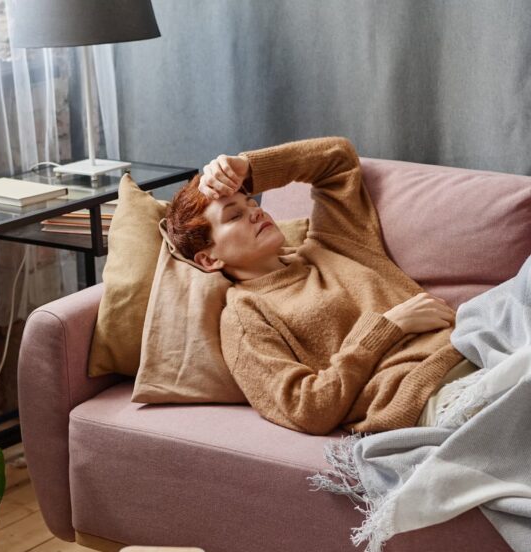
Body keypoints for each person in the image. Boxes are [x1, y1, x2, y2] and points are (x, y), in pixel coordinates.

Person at [165, 137, 475, 435]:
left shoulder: (334, 243)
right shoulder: (244, 316)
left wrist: (247, 168)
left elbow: (338, 160)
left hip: (473, 344)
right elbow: (306, 408)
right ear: (209, 260)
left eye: (250, 202)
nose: (255, 211)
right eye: (234, 216)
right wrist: (386, 328)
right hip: (427, 392)